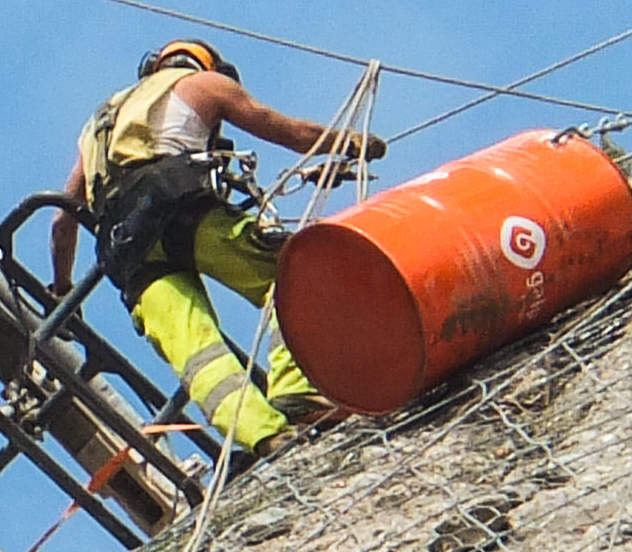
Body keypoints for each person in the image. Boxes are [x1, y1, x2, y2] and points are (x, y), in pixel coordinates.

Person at [57, 40, 386, 453]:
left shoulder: (98, 126)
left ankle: (265, 436)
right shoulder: (203, 84)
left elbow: (62, 219)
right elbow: (286, 130)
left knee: (198, 353)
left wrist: (62, 287)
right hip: (180, 211)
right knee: (295, 273)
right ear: (206, 65)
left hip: (126, 254)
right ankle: (298, 390)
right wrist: (353, 143)